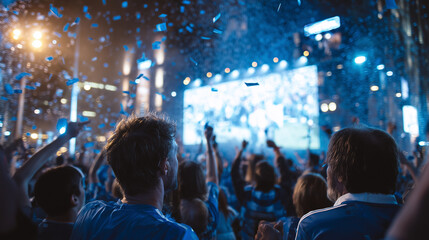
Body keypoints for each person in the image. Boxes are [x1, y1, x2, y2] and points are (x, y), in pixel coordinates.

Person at [70, 114, 197, 240]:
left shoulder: (89, 215)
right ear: (164, 165)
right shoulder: (178, 235)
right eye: (175, 155)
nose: (178, 162)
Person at [294, 127, 401, 239]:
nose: (326, 172)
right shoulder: (417, 221)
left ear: (340, 174)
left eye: (328, 165)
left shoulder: (314, 226)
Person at [231, 140, 286, 240]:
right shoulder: (280, 194)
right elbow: (285, 174)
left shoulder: (247, 194)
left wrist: (241, 150)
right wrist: (276, 149)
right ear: (273, 176)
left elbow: (234, 174)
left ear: (255, 177)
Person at [177, 124, 219, 240]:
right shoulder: (209, 209)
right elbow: (213, 178)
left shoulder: (171, 211)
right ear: (201, 181)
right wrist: (209, 144)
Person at [34, 166, 85, 240]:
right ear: (74, 199)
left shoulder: (31, 229)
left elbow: (20, 179)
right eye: (82, 186)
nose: (85, 190)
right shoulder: (83, 235)